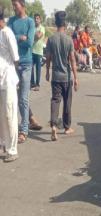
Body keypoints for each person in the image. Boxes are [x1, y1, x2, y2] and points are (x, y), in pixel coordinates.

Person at [8, 0, 42, 144]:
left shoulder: (29, 22)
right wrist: (19, 37)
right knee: (14, 95)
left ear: (22, 6)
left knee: (22, 97)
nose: (13, 8)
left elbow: (29, 43)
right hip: (13, 63)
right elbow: (6, 37)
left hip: (27, 63)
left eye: (15, 5)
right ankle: (31, 117)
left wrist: (17, 39)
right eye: (12, 5)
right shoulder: (11, 21)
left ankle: (24, 130)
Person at [45, 11, 78, 142]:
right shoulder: (69, 40)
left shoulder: (51, 39)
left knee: (55, 100)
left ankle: (53, 125)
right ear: (64, 24)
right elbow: (72, 61)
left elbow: (48, 58)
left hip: (55, 77)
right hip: (67, 77)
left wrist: (47, 71)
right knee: (67, 102)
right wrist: (76, 78)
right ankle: (66, 127)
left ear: (55, 23)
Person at [0, 6, 19, 162]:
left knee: (9, 114)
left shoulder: (7, 34)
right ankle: (2, 145)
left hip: (8, 79)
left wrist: (15, 79)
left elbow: (16, 59)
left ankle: (12, 150)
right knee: (1, 115)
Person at [31, 13, 45, 91]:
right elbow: (32, 37)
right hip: (32, 50)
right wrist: (36, 34)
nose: (36, 20)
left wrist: (35, 35)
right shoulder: (32, 28)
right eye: (35, 19)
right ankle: (32, 83)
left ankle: (37, 84)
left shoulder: (42, 28)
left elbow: (38, 36)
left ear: (40, 20)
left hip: (39, 52)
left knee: (38, 69)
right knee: (31, 67)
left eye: (37, 19)